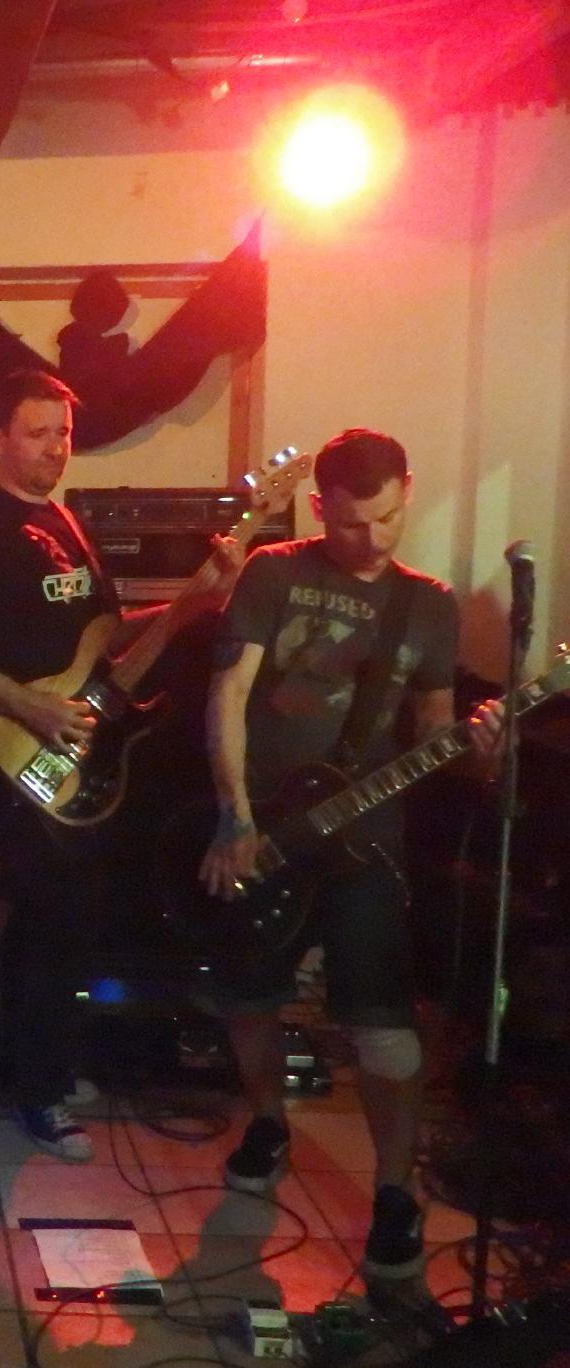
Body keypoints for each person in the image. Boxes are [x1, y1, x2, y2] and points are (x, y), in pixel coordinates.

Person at [200, 428, 502, 1279]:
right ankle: (268, 1122)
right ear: (317, 506)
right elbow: (228, 691)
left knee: (383, 1031)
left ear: (406, 491)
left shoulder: (428, 604)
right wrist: (233, 818)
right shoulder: (273, 573)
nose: (371, 540)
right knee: (248, 996)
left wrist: (479, 751)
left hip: (367, 843)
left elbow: (432, 731)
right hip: (266, 828)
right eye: (349, 524)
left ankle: (394, 1191)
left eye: (388, 519)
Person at [0, 369, 239, 1161]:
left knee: (52, 915)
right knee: (58, 914)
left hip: (74, 739)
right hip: (20, 741)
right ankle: (42, 1091)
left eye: (61, 433)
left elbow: (100, 634)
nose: (53, 448)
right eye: (36, 433)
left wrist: (191, 602)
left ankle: (16, 1064)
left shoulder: (64, 520)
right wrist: (23, 705)